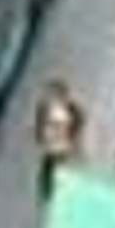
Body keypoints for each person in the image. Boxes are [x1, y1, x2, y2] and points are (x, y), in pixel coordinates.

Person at [33, 76, 85, 204]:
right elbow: (39, 122)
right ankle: (46, 191)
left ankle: (57, 190)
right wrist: (40, 136)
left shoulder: (72, 108)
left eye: (55, 94)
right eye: (50, 94)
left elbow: (79, 121)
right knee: (48, 167)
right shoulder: (44, 107)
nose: (51, 97)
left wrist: (73, 138)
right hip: (51, 146)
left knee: (61, 166)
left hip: (64, 145)